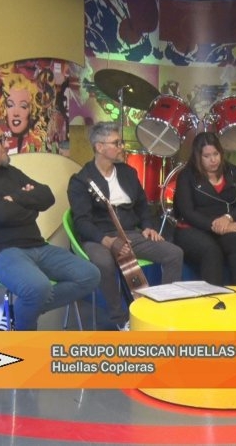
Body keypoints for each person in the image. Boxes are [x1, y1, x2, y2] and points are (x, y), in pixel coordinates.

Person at [0, 115, 100, 331]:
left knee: (90, 275)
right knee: (37, 288)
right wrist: (28, 206)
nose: (6, 144)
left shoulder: (9, 172)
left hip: (37, 246)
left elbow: (46, 196)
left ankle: (15, 314)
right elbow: (0, 214)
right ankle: (22, 340)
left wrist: (14, 199)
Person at [68, 122, 183, 331]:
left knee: (174, 253)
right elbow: (82, 222)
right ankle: (120, 318)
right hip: (99, 237)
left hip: (130, 233)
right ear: (99, 147)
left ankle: (162, 311)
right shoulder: (81, 181)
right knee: (104, 263)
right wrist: (107, 241)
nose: (122, 147)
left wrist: (147, 226)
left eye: (120, 142)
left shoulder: (128, 172)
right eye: (116, 143)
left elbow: (141, 205)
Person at [173, 132, 236, 285]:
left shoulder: (233, 172)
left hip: (225, 225)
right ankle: (214, 297)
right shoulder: (186, 176)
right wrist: (215, 225)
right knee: (211, 250)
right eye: (207, 156)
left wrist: (227, 219)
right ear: (198, 157)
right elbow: (187, 212)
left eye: (216, 154)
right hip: (192, 229)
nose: (213, 160)